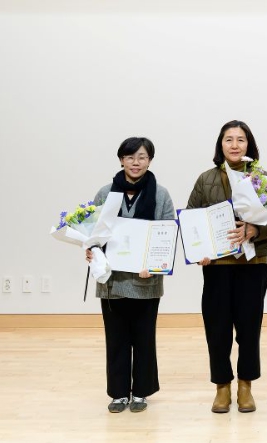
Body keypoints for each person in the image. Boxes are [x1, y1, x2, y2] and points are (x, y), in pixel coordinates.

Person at [186, 120, 267, 414]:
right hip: (217, 266)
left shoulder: (260, 178)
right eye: (229, 139)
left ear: (249, 144)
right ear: (221, 145)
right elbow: (191, 219)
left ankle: (246, 386)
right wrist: (198, 251)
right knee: (217, 329)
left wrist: (255, 230)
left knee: (249, 328)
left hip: (253, 263)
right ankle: (222, 387)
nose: (235, 145)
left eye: (241, 139)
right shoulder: (206, 179)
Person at [88, 137, 175, 413]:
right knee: (116, 338)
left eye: (142, 157)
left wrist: (156, 265)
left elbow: (167, 235)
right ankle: (118, 393)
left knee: (144, 337)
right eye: (130, 157)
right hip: (112, 281)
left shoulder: (161, 194)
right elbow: (93, 234)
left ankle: (140, 392)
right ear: (121, 160)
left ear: (150, 160)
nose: (136, 163)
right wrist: (91, 251)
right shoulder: (105, 194)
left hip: (146, 280)